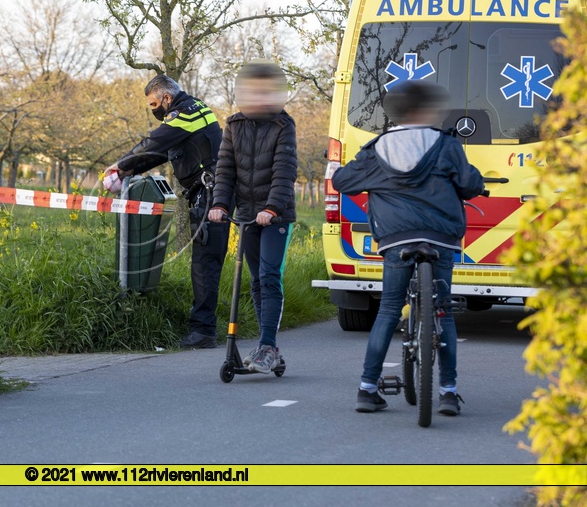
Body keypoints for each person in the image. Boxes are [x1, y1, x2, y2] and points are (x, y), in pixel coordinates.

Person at [331, 79, 484, 416]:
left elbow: (342, 182)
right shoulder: (446, 145)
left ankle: (367, 389)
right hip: (440, 237)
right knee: (443, 309)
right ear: (427, 110)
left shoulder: (376, 149)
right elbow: (470, 184)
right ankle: (448, 392)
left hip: (395, 237)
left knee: (388, 309)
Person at [104, 75, 230, 349]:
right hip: (210, 194)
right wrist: (128, 170)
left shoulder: (185, 115)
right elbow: (160, 153)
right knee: (205, 262)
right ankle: (207, 327)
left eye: (154, 104)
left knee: (205, 264)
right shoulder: (192, 110)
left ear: (167, 98)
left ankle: (203, 331)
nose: (153, 110)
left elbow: (153, 143)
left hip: (211, 195)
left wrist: (119, 165)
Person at [207, 59, 298, 374]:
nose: (257, 99)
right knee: (256, 280)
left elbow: (285, 171)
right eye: (251, 92)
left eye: (264, 93)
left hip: (276, 216)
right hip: (247, 215)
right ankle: (266, 346)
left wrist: (272, 209)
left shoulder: (283, 125)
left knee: (270, 276)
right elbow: (225, 169)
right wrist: (220, 204)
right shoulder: (234, 125)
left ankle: (267, 345)